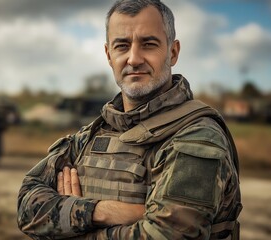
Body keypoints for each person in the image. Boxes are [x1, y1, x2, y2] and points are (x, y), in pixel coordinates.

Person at [17, 0, 242, 239]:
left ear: (173, 52)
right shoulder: (91, 135)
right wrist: (96, 211)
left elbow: (166, 235)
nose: (134, 58)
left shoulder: (197, 137)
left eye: (148, 44)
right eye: (122, 46)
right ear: (109, 55)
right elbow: (26, 207)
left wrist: (67, 226)